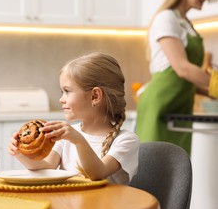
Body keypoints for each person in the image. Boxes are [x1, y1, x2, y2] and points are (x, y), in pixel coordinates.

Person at [8, 53, 140, 185]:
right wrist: (20, 153)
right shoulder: (68, 136)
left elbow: (97, 173)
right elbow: (46, 167)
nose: (61, 99)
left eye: (67, 91)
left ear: (95, 96)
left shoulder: (126, 140)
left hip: (106, 205)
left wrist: (78, 140)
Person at [136, 0, 216, 155]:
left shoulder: (186, 23)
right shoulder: (166, 18)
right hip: (160, 105)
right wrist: (216, 83)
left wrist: (210, 91)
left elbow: (185, 80)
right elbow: (182, 69)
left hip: (180, 108)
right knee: (154, 171)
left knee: (177, 175)